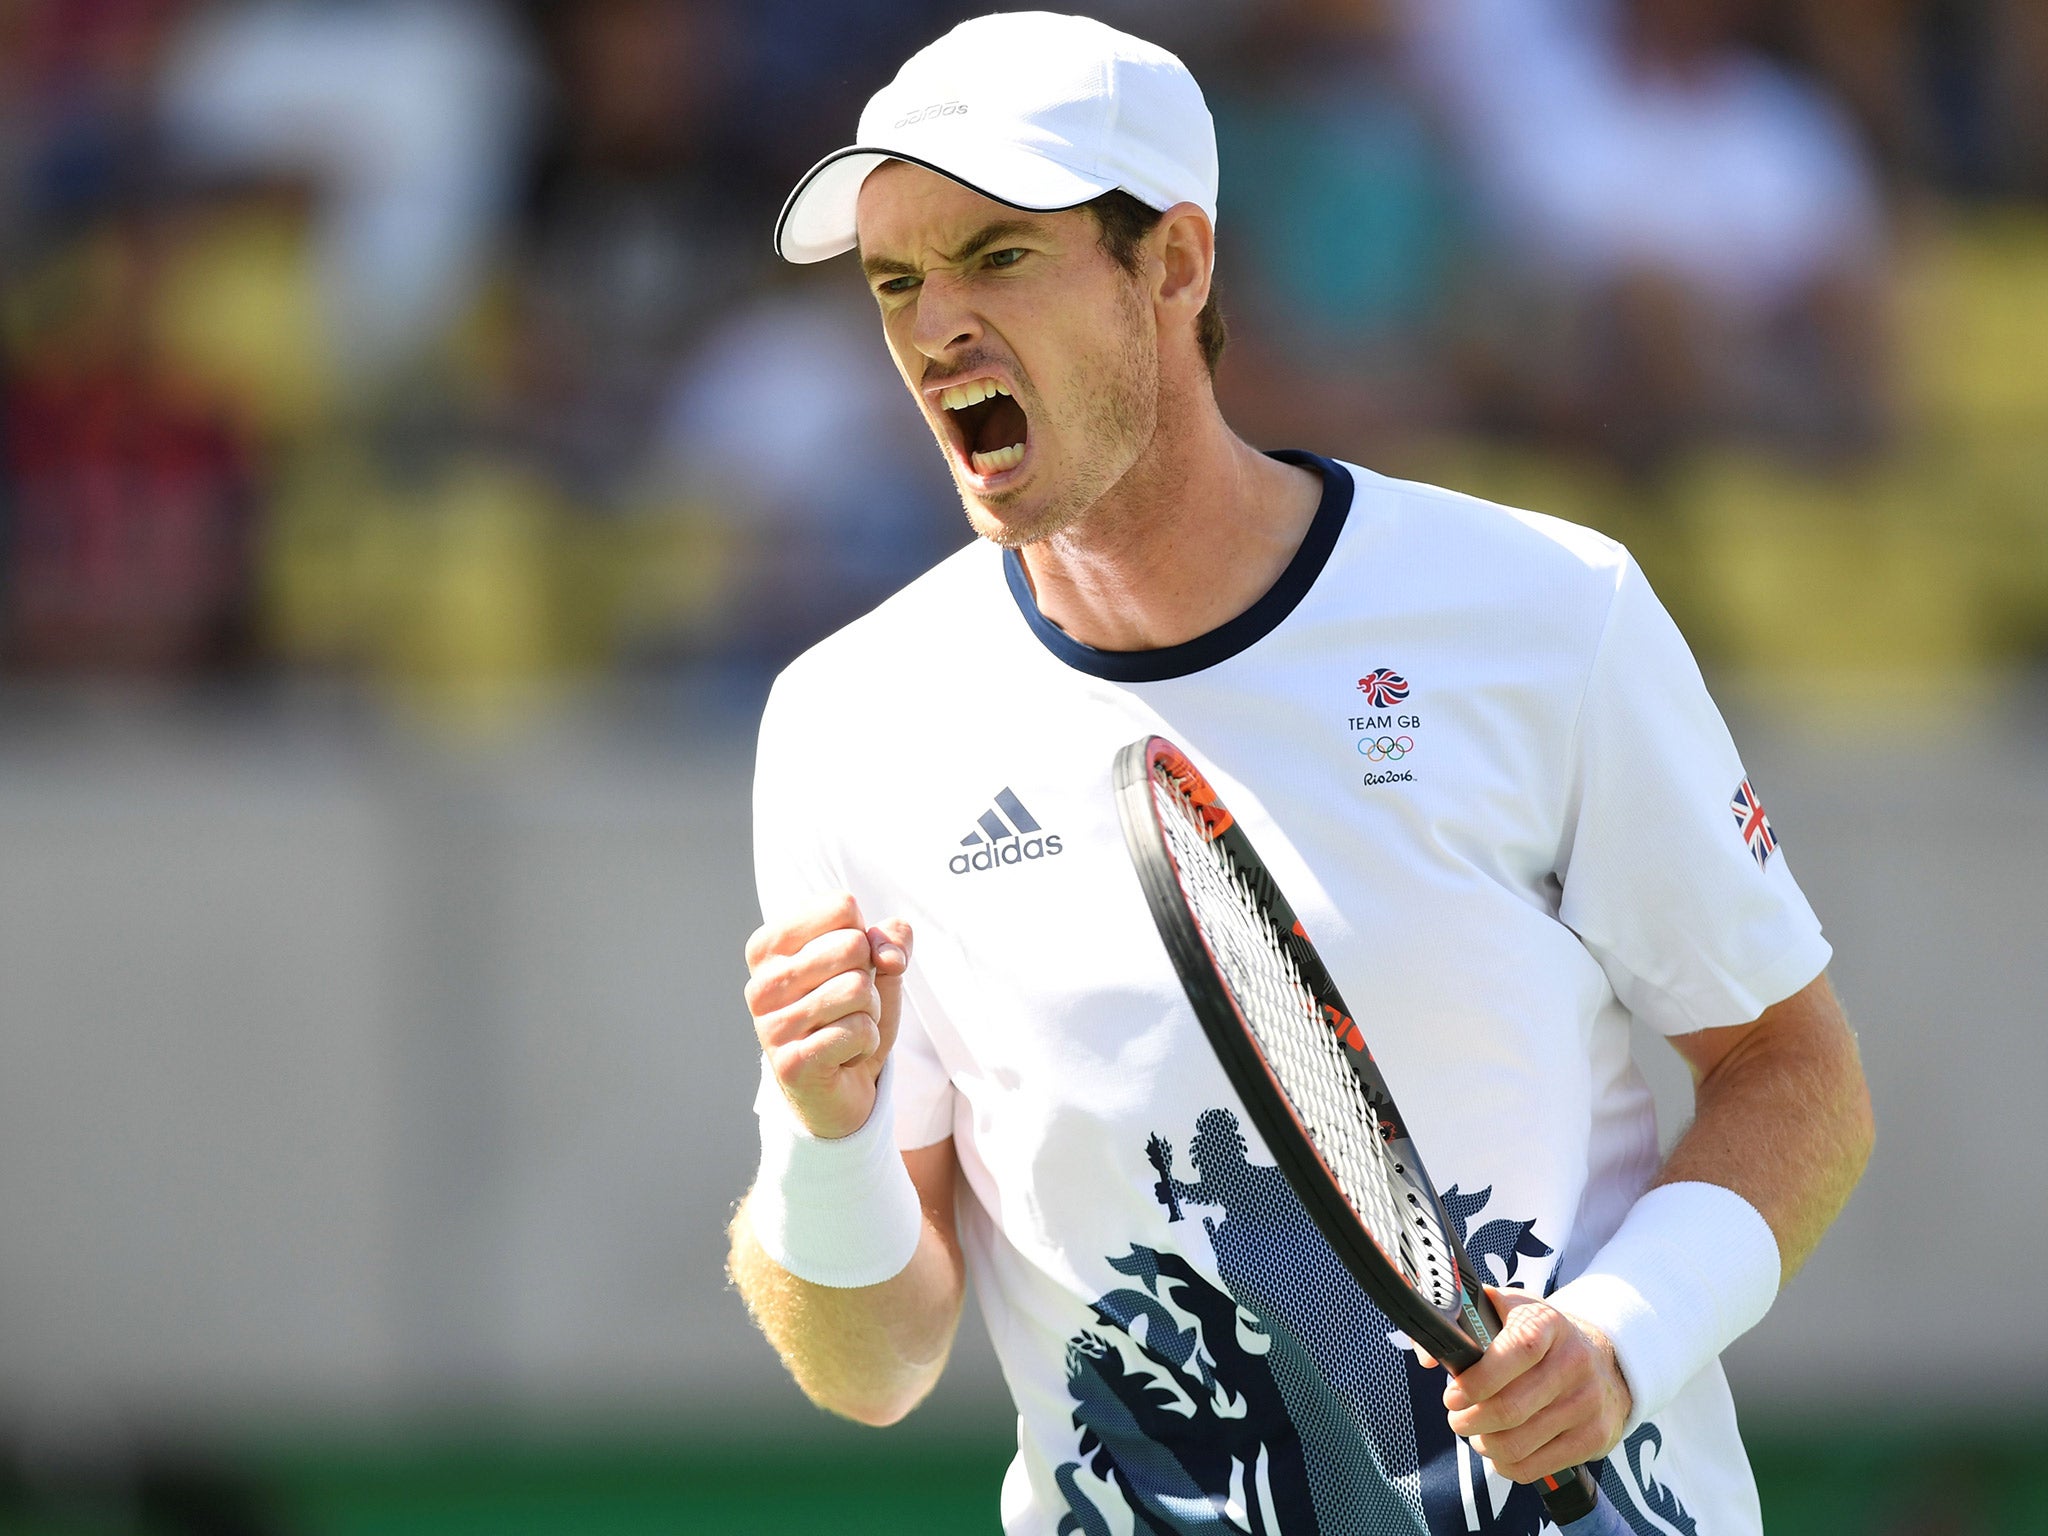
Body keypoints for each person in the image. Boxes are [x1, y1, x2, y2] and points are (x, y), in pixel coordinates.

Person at [726, 14, 1872, 1536]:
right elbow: (873, 1366)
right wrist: (824, 1137)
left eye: (998, 256)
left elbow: (1797, 1078)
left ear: (1176, 264)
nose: (937, 325)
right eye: (897, 282)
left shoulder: (1546, 609)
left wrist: (1622, 1335)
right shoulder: (845, 719)